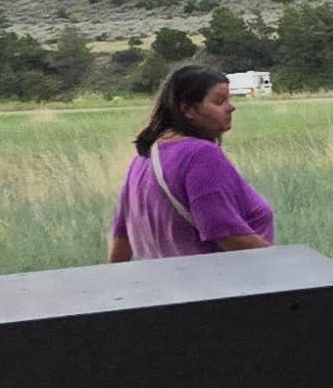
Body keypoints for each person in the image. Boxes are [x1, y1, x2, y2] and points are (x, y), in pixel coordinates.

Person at [108, 63, 277, 261]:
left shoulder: (142, 159)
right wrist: (282, 265)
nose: (231, 107)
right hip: (217, 285)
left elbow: (122, 238)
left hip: (162, 288)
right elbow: (227, 234)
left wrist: (114, 284)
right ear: (187, 109)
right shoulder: (201, 155)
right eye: (219, 101)